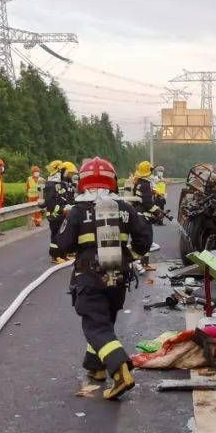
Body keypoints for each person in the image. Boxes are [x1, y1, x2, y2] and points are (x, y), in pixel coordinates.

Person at [57, 157, 152, 399]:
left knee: (95, 325)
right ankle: (95, 368)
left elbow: (62, 244)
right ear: (112, 182)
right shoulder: (124, 207)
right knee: (103, 322)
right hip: (118, 278)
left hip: (89, 278)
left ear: (83, 182)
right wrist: (130, 256)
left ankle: (120, 369)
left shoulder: (78, 211)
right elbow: (144, 237)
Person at [43, 160, 70, 262]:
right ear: (58, 170)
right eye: (63, 170)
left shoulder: (59, 183)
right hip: (54, 215)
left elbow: (62, 198)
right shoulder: (50, 184)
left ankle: (62, 255)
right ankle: (55, 256)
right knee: (55, 236)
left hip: (61, 215)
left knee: (62, 234)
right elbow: (50, 203)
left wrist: (67, 207)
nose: (65, 172)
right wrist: (61, 210)